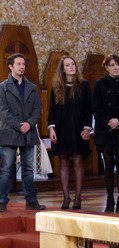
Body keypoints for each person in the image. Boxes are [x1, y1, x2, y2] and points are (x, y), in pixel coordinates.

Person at [0, 53, 46, 212]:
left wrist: (29, 123)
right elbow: (3, 111)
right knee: (6, 169)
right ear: (11, 66)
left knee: (28, 169)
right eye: (18, 64)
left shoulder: (32, 87)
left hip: (28, 132)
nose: (22, 67)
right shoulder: (3, 87)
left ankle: (31, 199)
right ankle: (1, 200)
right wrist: (18, 125)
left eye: (23, 64)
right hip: (10, 132)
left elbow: (37, 109)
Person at [48, 55, 92, 210]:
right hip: (61, 128)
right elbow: (51, 110)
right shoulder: (56, 86)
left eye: (73, 64)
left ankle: (78, 197)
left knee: (78, 161)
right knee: (64, 161)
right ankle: (66, 197)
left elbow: (88, 108)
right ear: (63, 69)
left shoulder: (84, 85)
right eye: (67, 65)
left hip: (78, 128)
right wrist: (51, 128)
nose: (71, 67)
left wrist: (87, 128)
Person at [92, 54, 119, 213]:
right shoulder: (100, 84)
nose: (115, 67)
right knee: (108, 167)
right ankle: (109, 199)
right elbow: (96, 107)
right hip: (106, 131)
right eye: (112, 65)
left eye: (118, 65)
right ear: (106, 67)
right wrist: (109, 120)